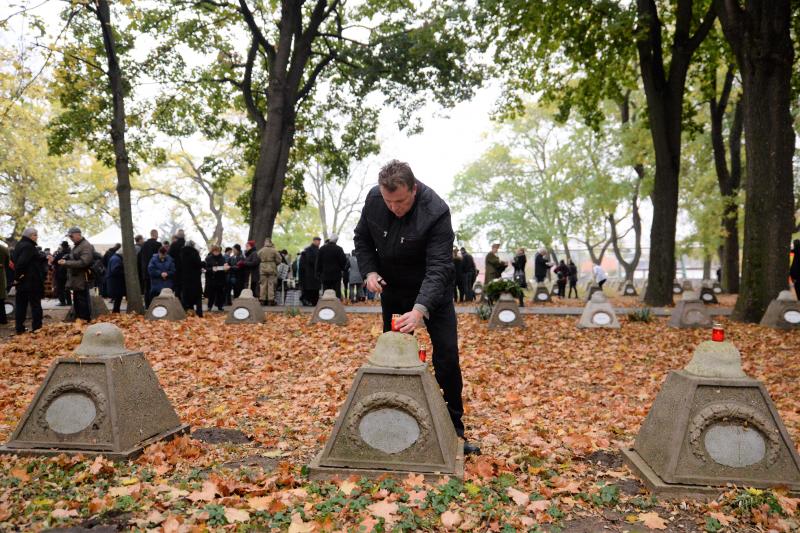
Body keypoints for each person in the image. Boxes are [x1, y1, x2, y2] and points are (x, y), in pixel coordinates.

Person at [354, 159, 480, 456]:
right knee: (393, 354)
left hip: (433, 293)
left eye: (400, 202)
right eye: (389, 202)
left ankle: (453, 432)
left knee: (447, 355)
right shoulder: (374, 200)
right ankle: (392, 423)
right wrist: (370, 272)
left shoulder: (436, 211)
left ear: (414, 188)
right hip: (394, 289)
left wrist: (421, 309)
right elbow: (362, 239)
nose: (394, 208)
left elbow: (439, 267)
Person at [11, 228, 48, 334]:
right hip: (31, 282)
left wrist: (17, 278)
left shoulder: (20, 244)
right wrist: (18, 277)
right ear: (31, 235)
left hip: (23, 282)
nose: (37, 237)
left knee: (21, 305)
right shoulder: (29, 246)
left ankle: (20, 328)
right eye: (36, 235)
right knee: (35, 305)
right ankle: (37, 328)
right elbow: (21, 263)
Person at [59, 227, 95, 321]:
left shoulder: (85, 245)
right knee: (78, 301)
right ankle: (80, 320)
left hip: (82, 279)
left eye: (72, 236)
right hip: (76, 279)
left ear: (78, 234)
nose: (71, 238)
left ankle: (84, 321)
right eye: (69, 236)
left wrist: (66, 263)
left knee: (82, 301)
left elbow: (84, 262)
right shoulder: (78, 245)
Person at [316, 234, 347, 299]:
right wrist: (342, 269)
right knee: (336, 291)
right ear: (336, 241)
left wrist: (318, 272)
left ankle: (326, 305)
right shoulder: (339, 249)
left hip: (325, 274)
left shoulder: (322, 249)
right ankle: (336, 305)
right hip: (336, 275)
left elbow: (318, 262)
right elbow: (344, 261)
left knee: (326, 291)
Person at [179, 241, 204, 316]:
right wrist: (204, 263)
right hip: (194, 278)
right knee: (197, 296)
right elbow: (198, 264)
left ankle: (184, 313)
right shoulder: (194, 253)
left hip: (184, 278)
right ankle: (199, 313)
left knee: (185, 296)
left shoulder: (181, 253)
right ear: (193, 246)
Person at [139, 230, 161, 307]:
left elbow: (140, 257)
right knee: (155, 288)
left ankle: (147, 305)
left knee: (147, 289)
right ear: (155, 235)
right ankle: (155, 305)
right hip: (155, 270)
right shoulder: (158, 245)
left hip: (145, 270)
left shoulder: (144, 245)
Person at [257, 238, 282, 305]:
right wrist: (274, 264)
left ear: (265, 243)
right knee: (271, 284)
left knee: (263, 284)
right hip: (272, 268)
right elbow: (279, 260)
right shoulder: (274, 250)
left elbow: (257, 258)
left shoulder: (261, 250)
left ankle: (262, 299)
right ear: (271, 243)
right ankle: (271, 300)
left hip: (262, 268)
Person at [204, 245, 229, 311]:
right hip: (212, 279)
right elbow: (205, 268)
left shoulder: (223, 258)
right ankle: (209, 306)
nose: (216, 253)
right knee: (211, 294)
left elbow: (225, 267)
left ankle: (220, 306)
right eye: (215, 251)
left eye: (217, 251)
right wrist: (212, 269)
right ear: (212, 251)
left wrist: (225, 268)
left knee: (220, 293)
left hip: (220, 278)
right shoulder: (208, 258)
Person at [300, 237, 322, 306]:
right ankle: (309, 300)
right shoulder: (310, 250)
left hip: (312, 273)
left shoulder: (315, 249)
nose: (319, 242)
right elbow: (312, 260)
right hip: (311, 273)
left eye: (319, 241)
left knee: (313, 289)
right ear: (314, 241)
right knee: (312, 289)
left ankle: (311, 301)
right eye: (318, 241)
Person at [106, 246, 126, 313]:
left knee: (118, 299)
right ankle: (116, 312)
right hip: (116, 283)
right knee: (118, 298)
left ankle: (116, 312)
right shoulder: (116, 259)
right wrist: (124, 272)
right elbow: (115, 270)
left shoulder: (115, 258)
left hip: (114, 282)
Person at [52, 241, 72, 306]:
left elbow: (54, 262)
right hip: (68, 273)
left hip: (60, 273)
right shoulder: (70, 253)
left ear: (62, 246)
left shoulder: (60, 254)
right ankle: (69, 302)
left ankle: (62, 302)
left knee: (60, 288)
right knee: (67, 288)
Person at [168, 230, 186, 298]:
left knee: (177, 287)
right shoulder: (187, 244)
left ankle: (177, 303)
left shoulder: (174, 244)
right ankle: (185, 305)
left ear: (177, 236)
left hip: (176, 269)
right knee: (184, 288)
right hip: (186, 270)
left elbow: (169, 256)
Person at [0, 239, 8, 325]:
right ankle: (3, 319)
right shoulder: (4, 248)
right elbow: (7, 263)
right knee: (1, 300)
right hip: (1, 275)